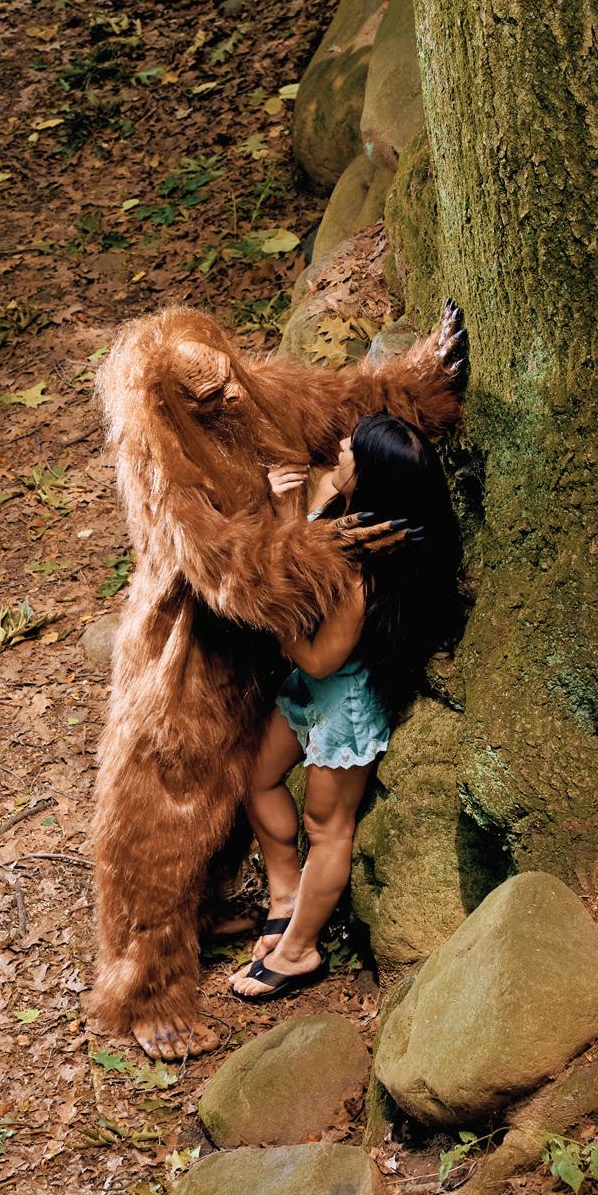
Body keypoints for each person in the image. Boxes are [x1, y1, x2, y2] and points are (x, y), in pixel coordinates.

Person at [230, 411, 458, 1000]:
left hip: (343, 706)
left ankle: (300, 950)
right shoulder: (345, 505)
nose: (340, 447)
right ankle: (286, 896)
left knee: (327, 828)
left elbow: (318, 661)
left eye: (352, 447)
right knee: (256, 776)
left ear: (373, 478)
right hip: (308, 695)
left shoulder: (366, 575)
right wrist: (283, 504)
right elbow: (303, 543)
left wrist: (275, 616)